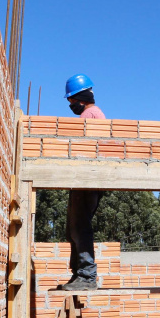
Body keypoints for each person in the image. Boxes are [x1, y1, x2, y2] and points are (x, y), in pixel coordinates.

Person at [58, 73, 105, 291]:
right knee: (74, 227)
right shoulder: (91, 113)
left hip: (88, 177)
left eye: (71, 101)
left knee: (80, 226)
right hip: (86, 177)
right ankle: (80, 273)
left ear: (81, 97)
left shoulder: (91, 115)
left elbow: (87, 148)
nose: (71, 105)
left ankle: (86, 276)